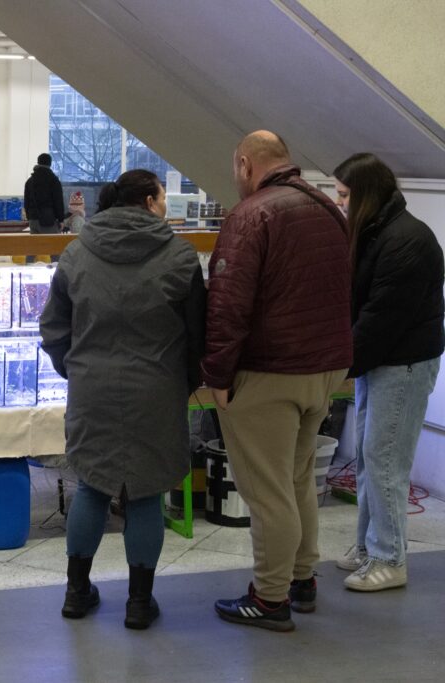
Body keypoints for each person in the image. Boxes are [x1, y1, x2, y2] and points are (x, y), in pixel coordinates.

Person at [40, 169, 206, 630]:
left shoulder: (76, 253)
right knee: (147, 492)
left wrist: (75, 368)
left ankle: (76, 593)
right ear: (150, 201)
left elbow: (53, 327)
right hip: (156, 390)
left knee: (92, 484)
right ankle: (138, 602)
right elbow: (198, 335)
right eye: (162, 197)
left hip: (91, 388)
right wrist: (182, 381)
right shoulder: (180, 256)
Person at [204, 131, 353, 632]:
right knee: (297, 479)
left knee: (267, 492)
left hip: (270, 372)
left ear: (246, 164)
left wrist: (217, 374)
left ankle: (270, 598)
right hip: (324, 369)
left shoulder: (252, 215)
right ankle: (302, 578)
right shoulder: (327, 209)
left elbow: (228, 303)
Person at [331, 153, 444, 592]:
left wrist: (338, 370)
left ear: (365, 195)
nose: (339, 203)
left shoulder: (407, 241)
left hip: (403, 365)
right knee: (369, 459)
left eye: (344, 195)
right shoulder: (377, 231)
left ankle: (389, 558)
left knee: (385, 464)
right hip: (381, 361)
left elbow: (379, 320)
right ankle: (368, 547)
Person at [24, 152, 64, 262]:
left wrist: (29, 217)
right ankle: (57, 269)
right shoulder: (53, 180)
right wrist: (61, 219)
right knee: (54, 248)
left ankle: (27, 266)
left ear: (38, 162)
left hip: (33, 219)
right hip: (48, 219)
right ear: (50, 164)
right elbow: (58, 201)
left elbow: (26, 202)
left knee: (33, 247)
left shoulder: (30, 181)